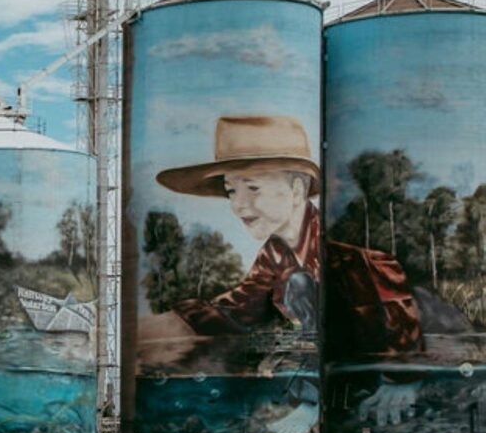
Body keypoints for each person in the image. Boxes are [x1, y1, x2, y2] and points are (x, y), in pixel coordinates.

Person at [139, 115, 421, 364]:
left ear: (297, 190)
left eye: (252, 187)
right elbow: (235, 310)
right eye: (231, 192)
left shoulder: (349, 254)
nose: (238, 205)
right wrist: (142, 332)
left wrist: (401, 381)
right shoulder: (275, 254)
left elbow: (400, 336)